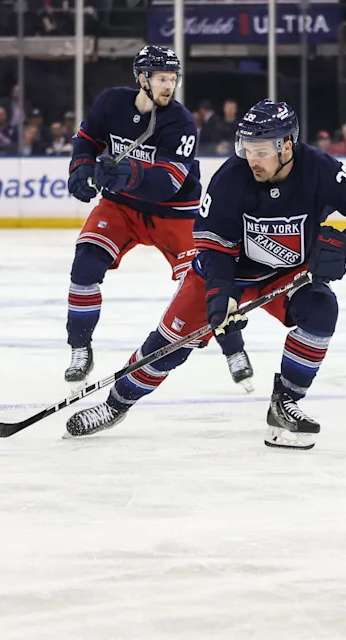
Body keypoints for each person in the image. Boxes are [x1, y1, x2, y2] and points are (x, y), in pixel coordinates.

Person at [64, 99, 346, 449]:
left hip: (285, 275)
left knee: (321, 311)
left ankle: (284, 403)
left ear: (286, 145)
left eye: (261, 150)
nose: (251, 159)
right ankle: (115, 403)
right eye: (246, 148)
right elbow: (213, 250)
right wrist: (219, 295)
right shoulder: (230, 178)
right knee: (167, 347)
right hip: (224, 274)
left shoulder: (321, 169)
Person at [64, 46, 236, 389]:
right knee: (84, 266)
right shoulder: (110, 103)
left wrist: (129, 174)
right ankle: (80, 348)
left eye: (172, 79)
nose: (168, 86)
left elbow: (168, 184)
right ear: (141, 78)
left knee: (202, 286)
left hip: (173, 214)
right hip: (120, 208)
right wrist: (80, 169)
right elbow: (86, 141)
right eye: (161, 78)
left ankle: (206, 343)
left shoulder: (182, 122)